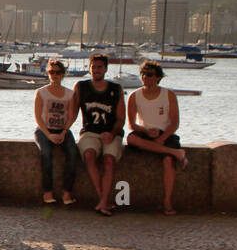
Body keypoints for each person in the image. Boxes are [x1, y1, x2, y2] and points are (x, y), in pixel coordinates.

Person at [126, 60, 188, 215]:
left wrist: (162, 138)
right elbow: (131, 124)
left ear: (158, 78)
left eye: (150, 75)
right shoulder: (134, 96)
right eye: (143, 74)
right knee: (131, 138)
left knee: (168, 161)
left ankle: (167, 201)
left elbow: (174, 123)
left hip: (165, 133)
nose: (146, 78)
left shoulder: (169, 95)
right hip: (145, 132)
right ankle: (177, 153)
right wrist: (146, 132)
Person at [68, 52, 125, 216]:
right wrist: (64, 130)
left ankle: (103, 201)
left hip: (111, 132)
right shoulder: (81, 87)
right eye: (93, 67)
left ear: (106, 69)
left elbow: (121, 119)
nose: (96, 70)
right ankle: (103, 199)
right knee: (89, 155)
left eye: (100, 67)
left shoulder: (116, 89)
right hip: (90, 132)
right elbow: (73, 113)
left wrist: (112, 133)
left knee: (108, 161)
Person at [33, 59, 79, 205]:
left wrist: (64, 132)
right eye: (52, 72)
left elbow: (71, 116)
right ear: (48, 73)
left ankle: (67, 193)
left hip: (63, 130)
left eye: (58, 72)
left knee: (72, 153)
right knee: (46, 153)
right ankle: (47, 192)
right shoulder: (41, 92)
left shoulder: (70, 94)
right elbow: (38, 118)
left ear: (63, 74)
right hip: (44, 130)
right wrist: (49, 135)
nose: (55, 75)